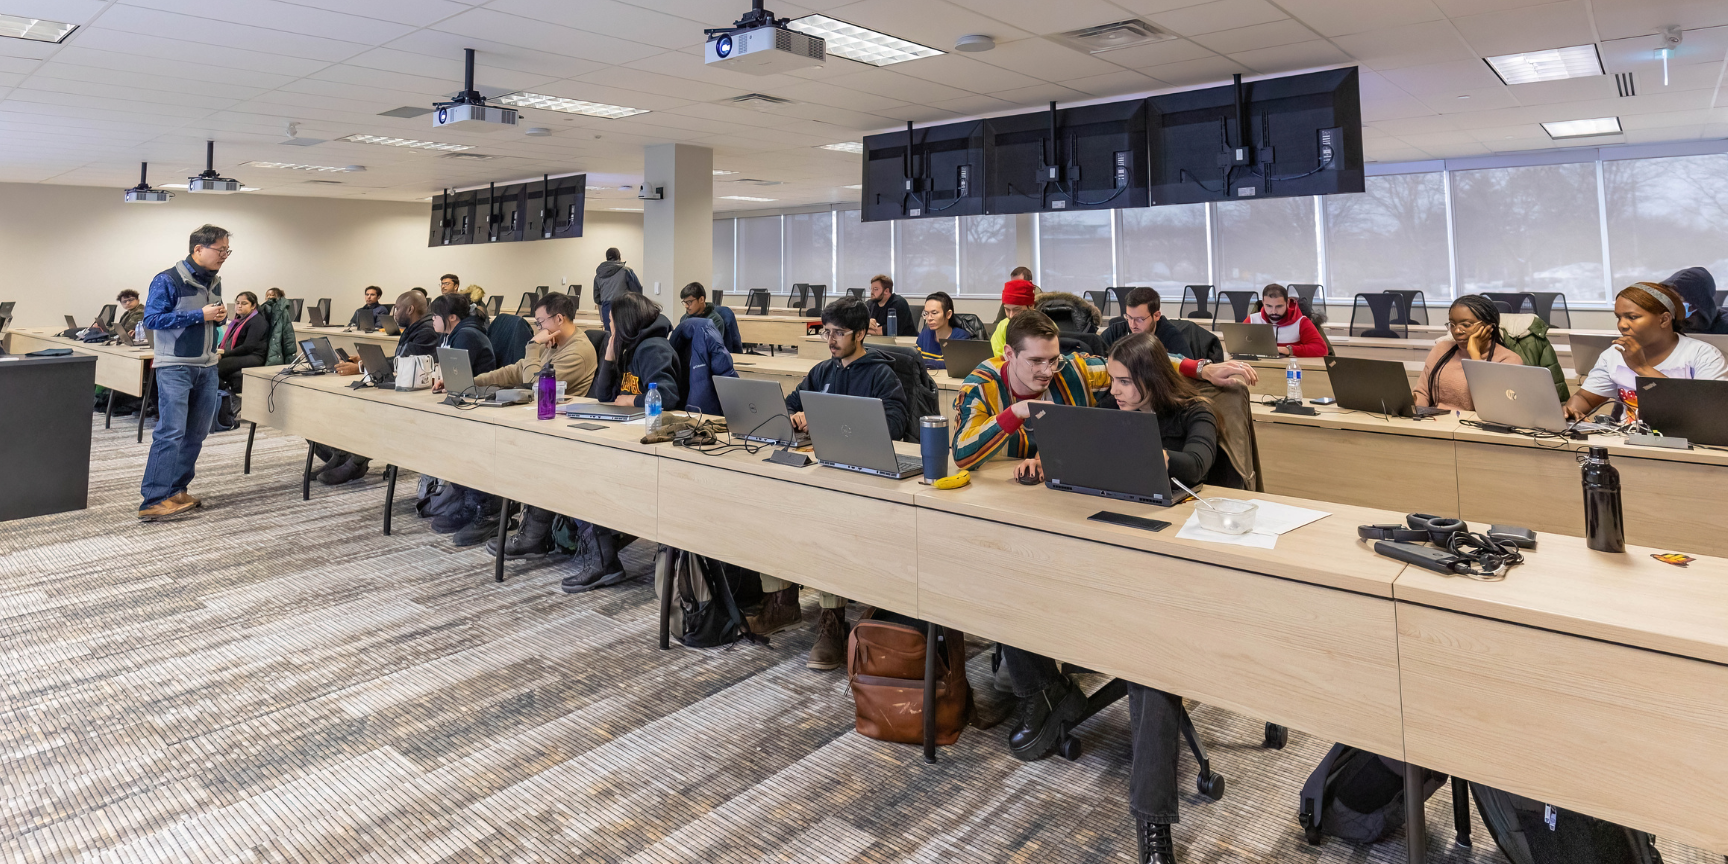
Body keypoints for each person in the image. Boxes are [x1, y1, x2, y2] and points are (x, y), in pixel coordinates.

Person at [949, 311, 1255, 775]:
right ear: (1008, 354)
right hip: (1077, 517)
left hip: (1160, 536)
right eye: (1036, 362)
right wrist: (1036, 437)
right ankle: (1043, 687)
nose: (1048, 371)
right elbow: (966, 450)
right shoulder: (986, 385)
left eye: (1053, 360)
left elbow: (1158, 375)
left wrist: (1203, 369)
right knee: (1007, 568)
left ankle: (1079, 671)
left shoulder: (1175, 408)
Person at [1099, 331, 1217, 864]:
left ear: (1149, 379)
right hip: (1114, 550)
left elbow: (1195, 464)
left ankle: (1152, 826)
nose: (1115, 391)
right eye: (1112, 381)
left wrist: (1137, 444)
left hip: (1181, 567)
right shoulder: (1110, 411)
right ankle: (1051, 706)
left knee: (1150, 668)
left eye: (1124, 382)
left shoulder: (1196, 412)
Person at [748, 295, 910, 671]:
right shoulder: (824, 370)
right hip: (821, 469)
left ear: (859, 333)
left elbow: (896, 426)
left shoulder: (880, 374)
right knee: (766, 503)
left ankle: (833, 621)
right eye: (827, 332)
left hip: (862, 479)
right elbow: (787, 404)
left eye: (838, 333)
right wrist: (796, 416)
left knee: (827, 522)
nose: (831, 339)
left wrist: (836, 419)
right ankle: (780, 602)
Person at [479, 294, 601, 559]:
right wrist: (474, 381)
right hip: (545, 424)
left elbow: (536, 383)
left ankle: (532, 535)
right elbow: (517, 370)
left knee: (521, 456)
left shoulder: (578, 350)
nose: (537, 328)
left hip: (565, 431)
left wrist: (533, 346)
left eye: (539, 322)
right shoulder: (553, 343)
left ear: (558, 319)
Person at [137, 224, 230, 521]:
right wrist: (198, 315)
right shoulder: (167, 279)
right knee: (171, 432)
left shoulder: (214, 281)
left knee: (196, 434)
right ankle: (153, 499)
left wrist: (218, 318)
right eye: (220, 250)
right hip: (174, 366)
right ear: (198, 249)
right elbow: (152, 319)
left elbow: (207, 320)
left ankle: (176, 490)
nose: (225, 256)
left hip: (207, 365)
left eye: (228, 250)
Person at [313, 291, 442, 486]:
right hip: (407, 386)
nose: (393, 313)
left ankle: (356, 461)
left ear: (410, 309)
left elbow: (405, 361)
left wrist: (360, 367)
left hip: (419, 393)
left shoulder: (426, 331)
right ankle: (343, 455)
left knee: (369, 407)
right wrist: (363, 360)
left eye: (397, 308)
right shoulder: (414, 327)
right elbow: (402, 355)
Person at [1565, 281, 1728, 422]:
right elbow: (1585, 397)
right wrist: (1571, 410)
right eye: (1619, 317)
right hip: (1627, 444)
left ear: (1664, 319)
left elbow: (1709, 413)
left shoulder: (1703, 355)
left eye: (1632, 317)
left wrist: (1641, 367)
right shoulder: (1614, 354)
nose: (1622, 325)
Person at [1413, 295, 1524, 412]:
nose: (1457, 331)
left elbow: (1492, 406)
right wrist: (1410, 402)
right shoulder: (1441, 349)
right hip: (1438, 423)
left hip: (1475, 427)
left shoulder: (1509, 360)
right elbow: (1422, 393)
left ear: (1489, 326)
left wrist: (1475, 355)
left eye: (1466, 325)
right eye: (1452, 324)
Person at [1099, 287, 1192, 359]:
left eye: (1139, 319)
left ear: (1156, 316)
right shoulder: (1115, 332)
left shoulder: (1172, 337)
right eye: (1129, 317)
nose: (1132, 325)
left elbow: (1186, 371)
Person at [1241, 284, 1326, 357]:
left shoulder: (1301, 321)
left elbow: (1321, 349)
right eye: (1269, 306)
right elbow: (1237, 346)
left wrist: (1290, 350)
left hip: (1290, 369)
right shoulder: (1252, 320)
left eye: (1279, 306)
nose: (1273, 311)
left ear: (1288, 303)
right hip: (1260, 368)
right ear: (1263, 302)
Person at [429, 292, 495, 376]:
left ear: (452, 317)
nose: (433, 319)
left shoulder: (466, 336)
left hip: (477, 387)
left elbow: (458, 373)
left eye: (435, 316)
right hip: (458, 385)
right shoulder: (447, 334)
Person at [215, 291, 269, 392]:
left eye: (244, 303)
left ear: (253, 306)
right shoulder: (239, 320)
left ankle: (229, 394)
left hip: (254, 356)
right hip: (240, 354)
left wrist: (223, 355)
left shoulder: (257, 321)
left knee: (214, 367)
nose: (239, 306)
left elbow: (248, 347)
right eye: (237, 303)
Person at [1661, 266, 1728, 335]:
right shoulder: (1661, 324)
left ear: (1698, 303)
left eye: (1680, 299)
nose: (1673, 305)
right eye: (1669, 298)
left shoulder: (1724, 327)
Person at [678, 281, 741, 351]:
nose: (686, 306)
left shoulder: (715, 320)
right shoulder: (684, 319)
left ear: (701, 299)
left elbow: (711, 347)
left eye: (689, 302)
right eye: (684, 302)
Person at [594, 247, 644, 333]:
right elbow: (638, 291)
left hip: (606, 309)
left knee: (610, 336)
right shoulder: (626, 271)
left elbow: (596, 298)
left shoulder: (598, 275)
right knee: (625, 335)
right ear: (619, 256)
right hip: (624, 307)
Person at [915, 291, 970, 368]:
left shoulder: (960, 338)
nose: (929, 318)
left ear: (948, 314)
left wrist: (924, 362)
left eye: (934, 313)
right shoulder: (925, 334)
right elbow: (915, 360)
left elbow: (954, 365)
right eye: (926, 313)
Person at [990, 278, 1038, 356]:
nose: (1011, 315)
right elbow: (999, 358)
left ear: (1031, 306)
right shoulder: (1002, 326)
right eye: (1007, 310)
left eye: (1017, 309)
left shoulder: (1044, 326)